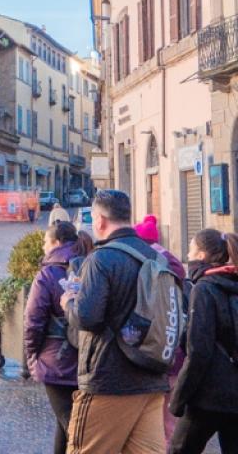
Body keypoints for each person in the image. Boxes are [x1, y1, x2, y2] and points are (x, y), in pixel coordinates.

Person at [62, 189, 170, 454]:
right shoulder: (156, 257)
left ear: (99, 220)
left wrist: (68, 304)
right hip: (151, 376)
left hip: (108, 380)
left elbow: (88, 317)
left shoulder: (101, 259)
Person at [24, 222, 93, 454]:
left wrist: (32, 356)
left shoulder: (49, 273)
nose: (43, 246)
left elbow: (33, 321)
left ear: (56, 242)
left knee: (74, 431)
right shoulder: (91, 265)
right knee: (66, 426)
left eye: (45, 241)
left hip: (57, 362)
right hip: (87, 357)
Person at [169, 228, 238, 454]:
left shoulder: (204, 289)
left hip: (208, 396)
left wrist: (178, 398)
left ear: (201, 255)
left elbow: (198, 351)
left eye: (190, 250)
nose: (188, 256)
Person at [134, 214, 186, 449]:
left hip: (158, 356)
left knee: (160, 423)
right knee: (169, 420)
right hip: (174, 353)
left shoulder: (149, 264)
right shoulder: (172, 265)